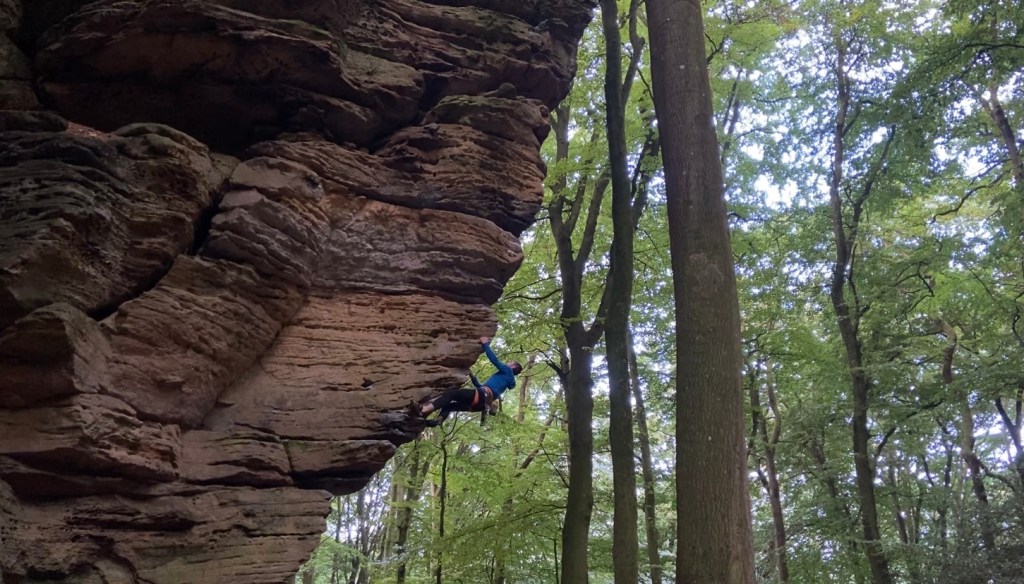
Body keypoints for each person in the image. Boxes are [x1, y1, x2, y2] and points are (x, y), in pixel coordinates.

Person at [420, 336, 522, 427]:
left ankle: (426, 409)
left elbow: (494, 360)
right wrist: (472, 375)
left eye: (510, 363)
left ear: (513, 367)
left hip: (482, 396)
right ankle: (439, 420)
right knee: (449, 406)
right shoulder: (504, 380)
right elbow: (479, 386)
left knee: (451, 393)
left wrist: (485, 344)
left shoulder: (508, 371)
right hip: (479, 405)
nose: (507, 363)